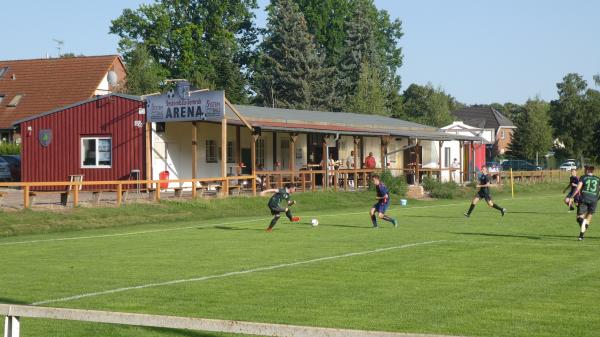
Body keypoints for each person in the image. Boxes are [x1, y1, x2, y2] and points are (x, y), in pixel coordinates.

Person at [574, 166, 600, 241]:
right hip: (594, 200)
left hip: (584, 198)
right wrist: (597, 198)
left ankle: (583, 228)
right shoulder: (598, 179)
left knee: (579, 218)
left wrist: (572, 197)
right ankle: (581, 236)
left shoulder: (583, 177)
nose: (584, 170)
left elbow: (578, 188)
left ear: (588, 170)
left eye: (585, 169)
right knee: (588, 218)